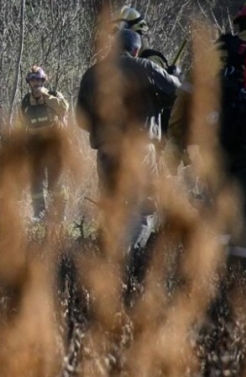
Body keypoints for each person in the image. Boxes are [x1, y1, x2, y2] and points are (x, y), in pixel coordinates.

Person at [164, 0, 246, 281]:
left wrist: (175, 145)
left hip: (215, 146)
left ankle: (211, 280)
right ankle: (240, 286)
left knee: (216, 209)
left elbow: (184, 100)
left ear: (240, 21)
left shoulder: (216, 50)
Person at [76, 29, 180, 265]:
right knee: (143, 207)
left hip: (106, 151)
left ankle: (108, 260)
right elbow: (176, 90)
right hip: (140, 149)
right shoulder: (145, 67)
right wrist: (174, 74)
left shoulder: (92, 74)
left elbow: (80, 119)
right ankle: (127, 260)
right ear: (135, 50)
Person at [18, 65, 69, 220]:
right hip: (35, 145)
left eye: (39, 80)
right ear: (29, 82)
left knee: (55, 181)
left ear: (43, 80)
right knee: (36, 180)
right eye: (33, 80)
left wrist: (46, 97)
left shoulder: (53, 95)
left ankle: (59, 212)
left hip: (53, 145)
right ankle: (39, 213)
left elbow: (64, 109)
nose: (36, 83)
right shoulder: (26, 101)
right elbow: (21, 123)